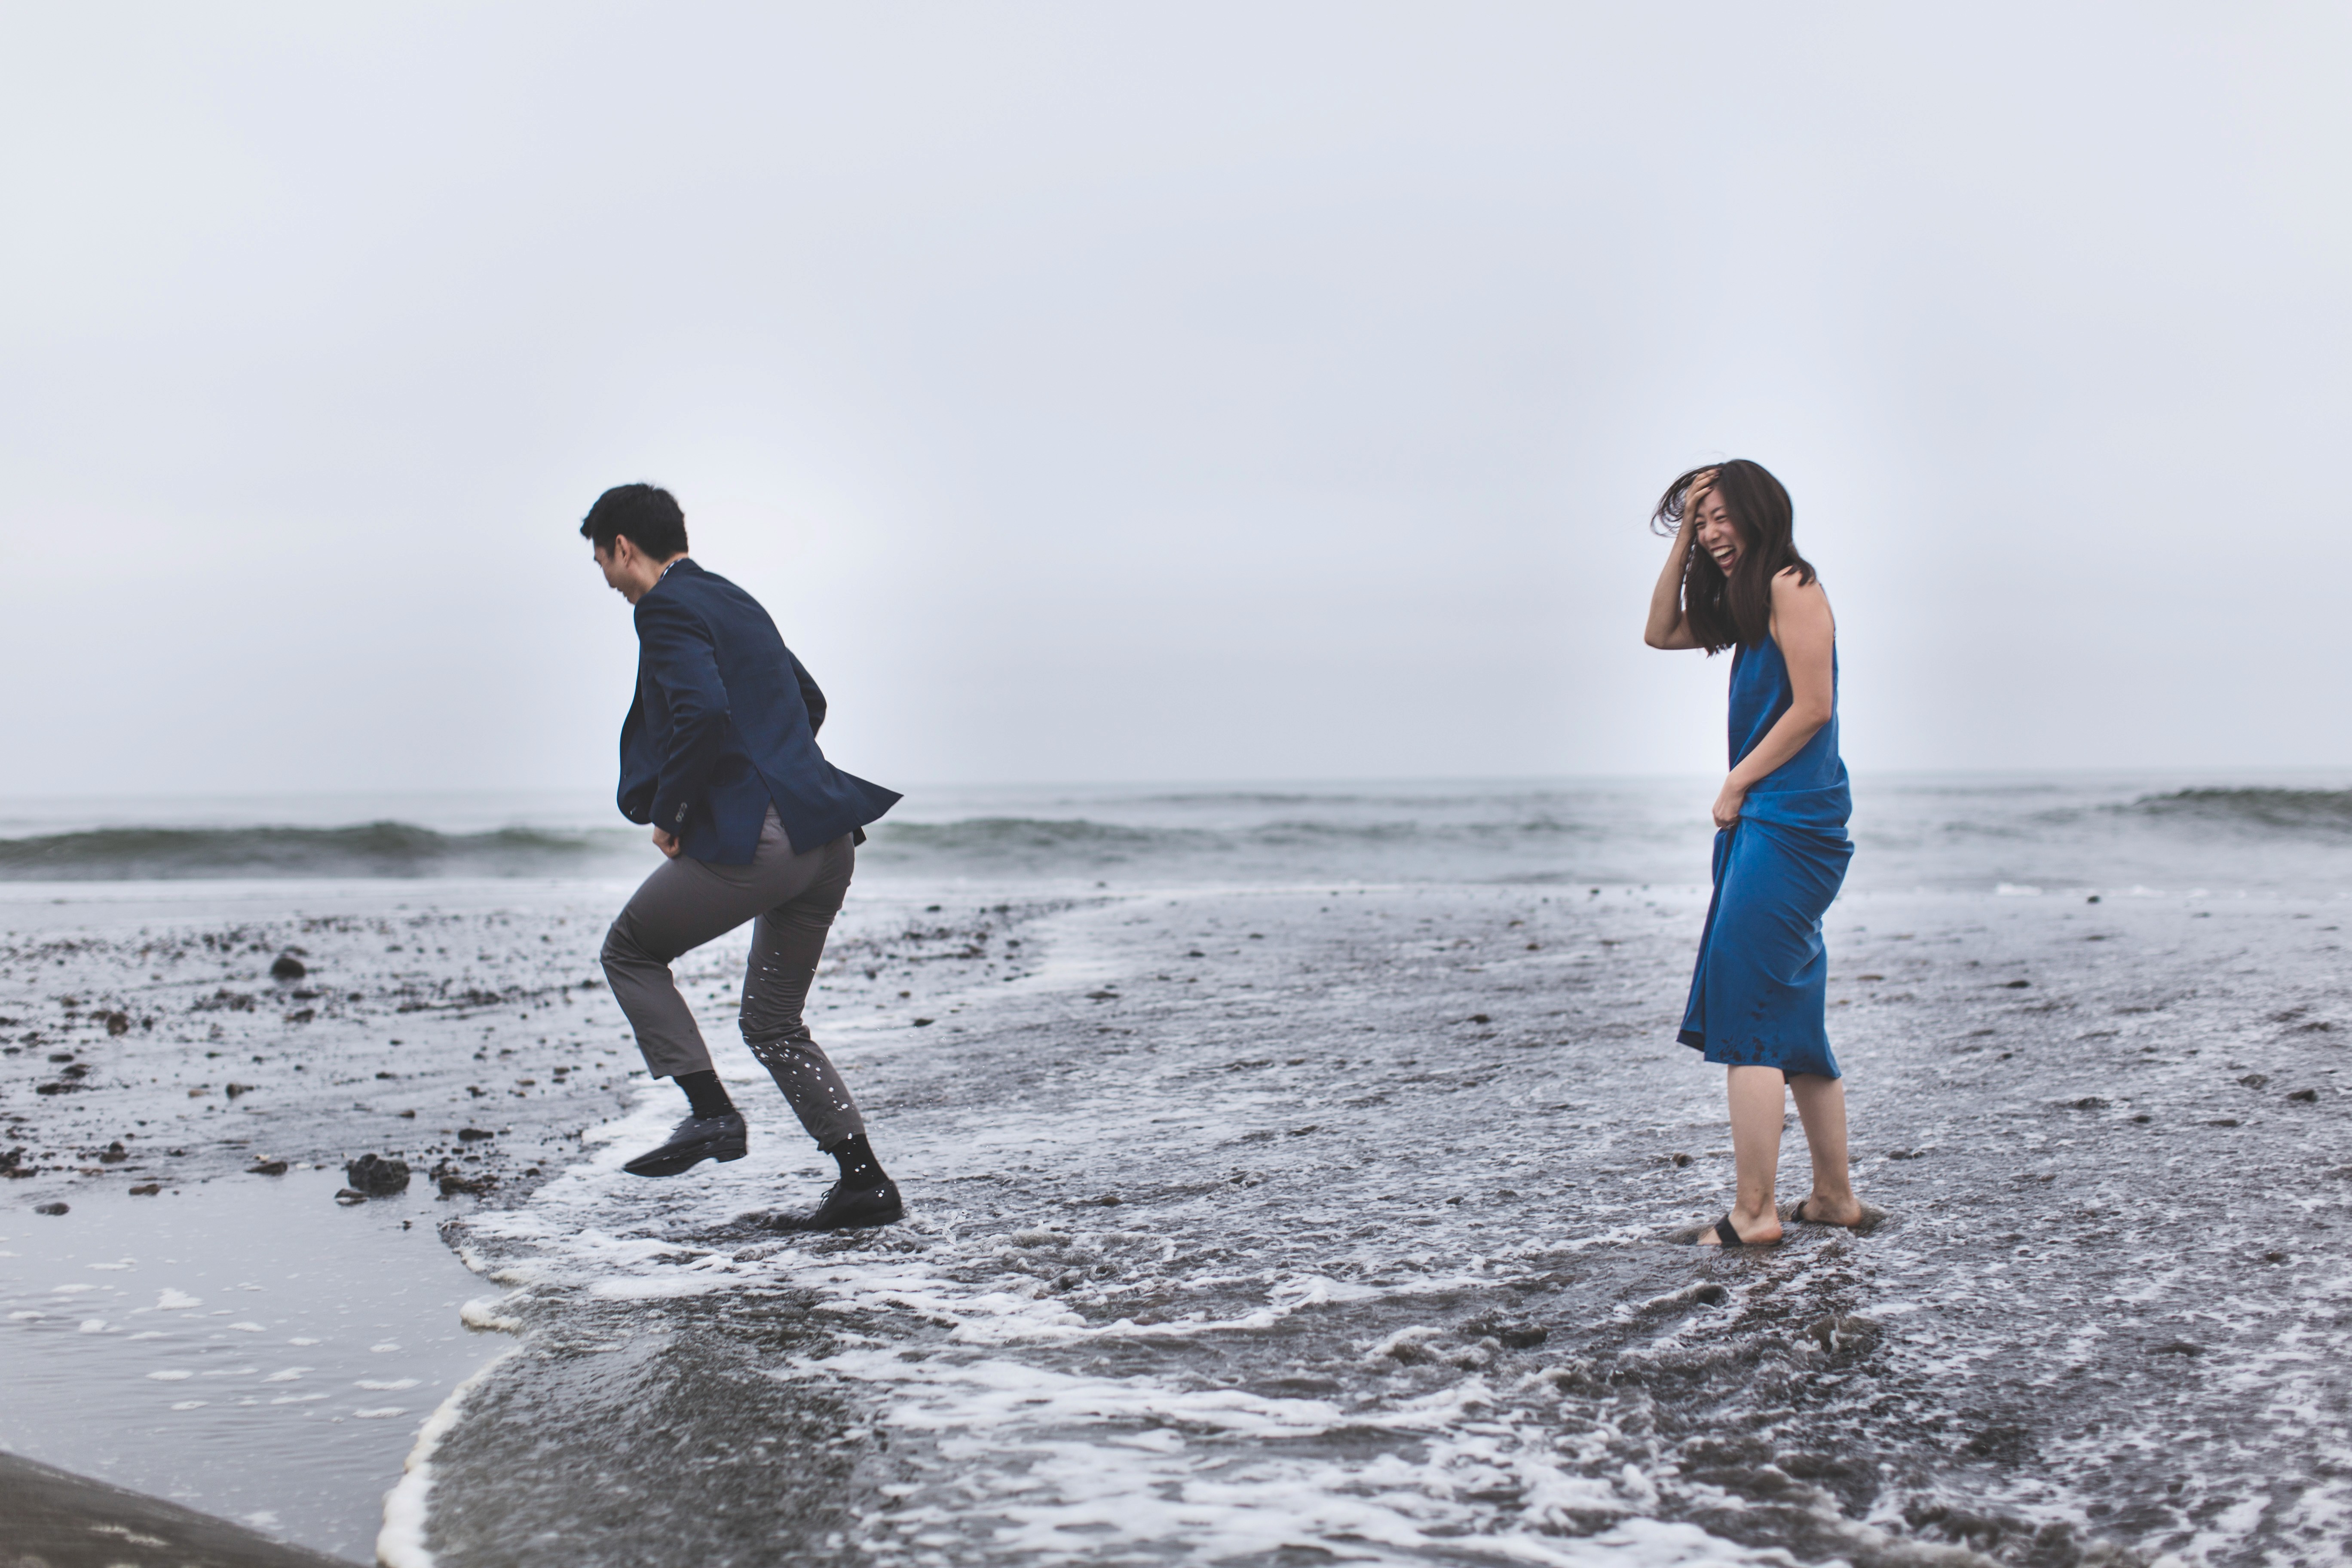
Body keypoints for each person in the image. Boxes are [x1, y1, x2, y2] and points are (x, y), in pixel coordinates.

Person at [582, 482, 905, 1231]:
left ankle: (710, 1113)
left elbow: (701, 711)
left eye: (601, 563)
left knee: (629, 951)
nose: (606, 581)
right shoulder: (736, 600)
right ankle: (864, 1182)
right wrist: (782, 773)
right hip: (827, 839)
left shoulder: (663, 608)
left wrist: (675, 813)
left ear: (623, 547)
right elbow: (810, 700)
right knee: (773, 1022)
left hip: (766, 843)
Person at [1642, 460, 1867, 1246]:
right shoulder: (1749, 603)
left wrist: (1737, 781)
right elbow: (1660, 632)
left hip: (1791, 822)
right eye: (1699, 521)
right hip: (1774, 821)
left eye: (1720, 517)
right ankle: (1834, 1199)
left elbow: (1814, 707)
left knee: (1749, 1020)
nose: (1711, 533)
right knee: (1793, 1021)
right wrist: (1684, 541)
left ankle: (1755, 1214)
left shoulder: (1792, 586)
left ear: (1762, 511)